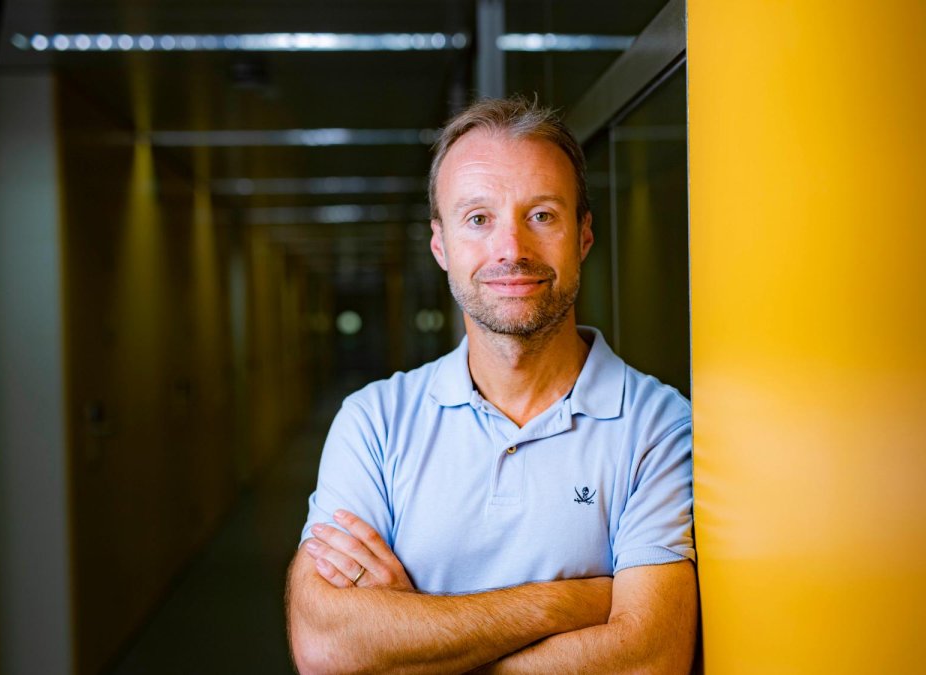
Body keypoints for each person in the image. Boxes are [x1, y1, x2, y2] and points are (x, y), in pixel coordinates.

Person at [285, 96, 697, 674]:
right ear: (441, 245)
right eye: (478, 219)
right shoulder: (374, 421)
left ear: (583, 236)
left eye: (542, 216)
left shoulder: (659, 426)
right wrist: (575, 602)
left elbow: (649, 660)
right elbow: (326, 648)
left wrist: (414, 643)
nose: (512, 250)